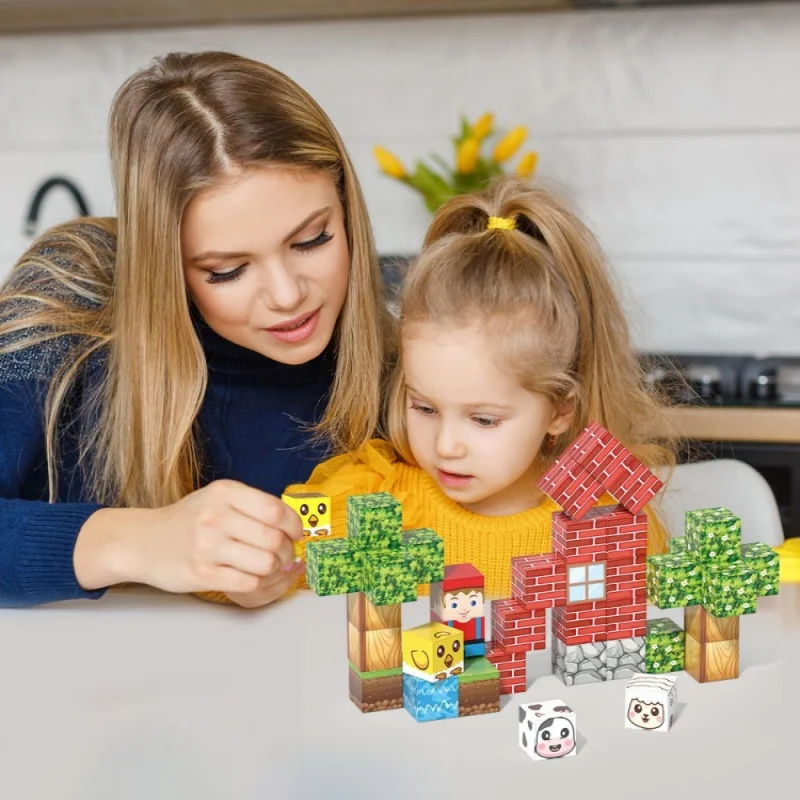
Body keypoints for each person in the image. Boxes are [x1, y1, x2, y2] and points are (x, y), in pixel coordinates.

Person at [0, 51, 393, 609]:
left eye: (312, 240)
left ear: (347, 208)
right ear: (165, 266)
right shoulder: (69, 290)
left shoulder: (411, 343)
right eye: (226, 270)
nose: (287, 296)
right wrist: (136, 540)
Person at [285, 175, 675, 599]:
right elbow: (249, 575)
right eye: (425, 408)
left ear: (560, 411)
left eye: (484, 419)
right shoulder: (374, 499)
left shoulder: (604, 516)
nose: (446, 445)